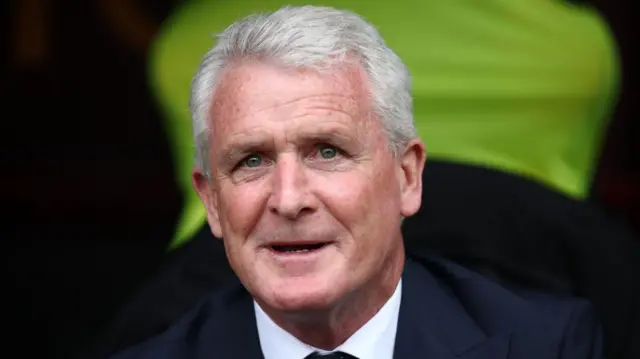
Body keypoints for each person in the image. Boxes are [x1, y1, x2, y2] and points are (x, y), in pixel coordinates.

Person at [109, 6, 602, 359]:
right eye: (252, 161)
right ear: (212, 202)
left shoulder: (548, 344)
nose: (288, 198)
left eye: (327, 152)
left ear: (407, 177)